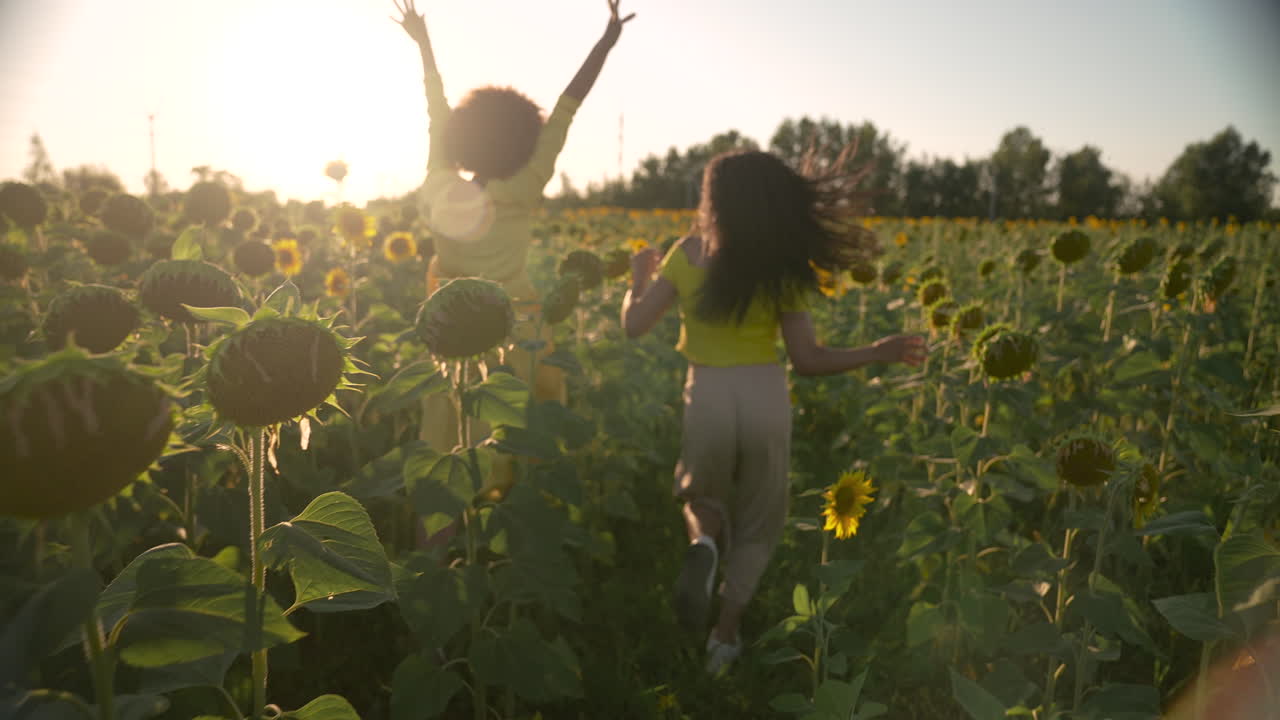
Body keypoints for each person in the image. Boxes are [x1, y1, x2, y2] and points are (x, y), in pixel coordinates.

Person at [621, 149, 928, 675]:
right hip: (764, 395)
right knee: (759, 522)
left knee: (700, 496)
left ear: (713, 201)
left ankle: (703, 543)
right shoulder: (780, 266)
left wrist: (637, 281)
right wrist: (877, 351)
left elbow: (634, 326)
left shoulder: (686, 253)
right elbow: (808, 360)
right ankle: (725, 636)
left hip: (708, 393)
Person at [393, 0, 633, 514]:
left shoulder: (440, 184)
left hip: (453, 331)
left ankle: (436, 548)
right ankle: (507, 538)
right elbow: (568, 106)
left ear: (463, 135)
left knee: (445, 450)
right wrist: (605, 43)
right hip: (519, 329)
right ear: (526, 140)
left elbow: (436, 108)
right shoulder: (525, 185)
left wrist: (424, 44)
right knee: (517, 445)